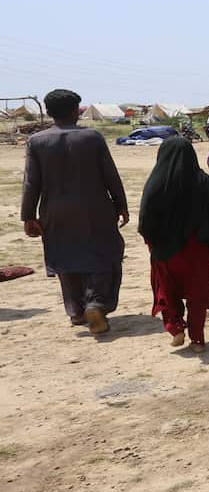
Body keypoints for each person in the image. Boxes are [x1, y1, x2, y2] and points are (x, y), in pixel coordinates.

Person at [21, 89, 128, 335]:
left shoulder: (37, 141)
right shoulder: (93, 137)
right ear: (74, 112)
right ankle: (97, 303)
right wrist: (121, 204)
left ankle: (78, 311)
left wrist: (28, 216)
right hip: (96, 208)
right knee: (105, 254)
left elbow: (31, 183)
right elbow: (110, 174)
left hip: (54, 210)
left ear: (48, 112)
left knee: (66, 257)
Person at [139, 137, 209, 352]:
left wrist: (152, 242)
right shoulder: (204, 182)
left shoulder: (155, 183)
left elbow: (146, 218)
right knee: (197, 294)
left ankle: (175, 327)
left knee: (167, 288)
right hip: (197, 250)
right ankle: (197, 339)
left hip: (165, 251)